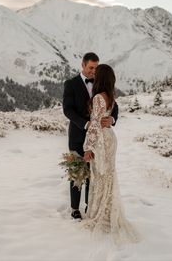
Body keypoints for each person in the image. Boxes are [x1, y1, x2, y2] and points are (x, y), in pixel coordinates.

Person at [82, 64, 139, 244]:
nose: (93, 75)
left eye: (96, 74)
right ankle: (107, 213)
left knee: (100, 176)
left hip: (101, 141)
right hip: (109, 139)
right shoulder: (110, 97)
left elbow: (95, 124)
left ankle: (101, 215)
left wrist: (88, 148)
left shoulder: (99, 97)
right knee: (107, 176)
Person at [63, 53, 118, 220]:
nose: (93, 71)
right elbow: (68, 110)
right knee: (77, 172)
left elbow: (114, 106)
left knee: (93, 173)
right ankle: (74, 208)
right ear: (83, 65)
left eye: (96, 68)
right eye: (91, 68)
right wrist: (86, 124)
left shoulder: (102, 85)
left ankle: (90, 205)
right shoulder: (71, 84)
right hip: (78, 135)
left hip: (99, 138)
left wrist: (112, 119)